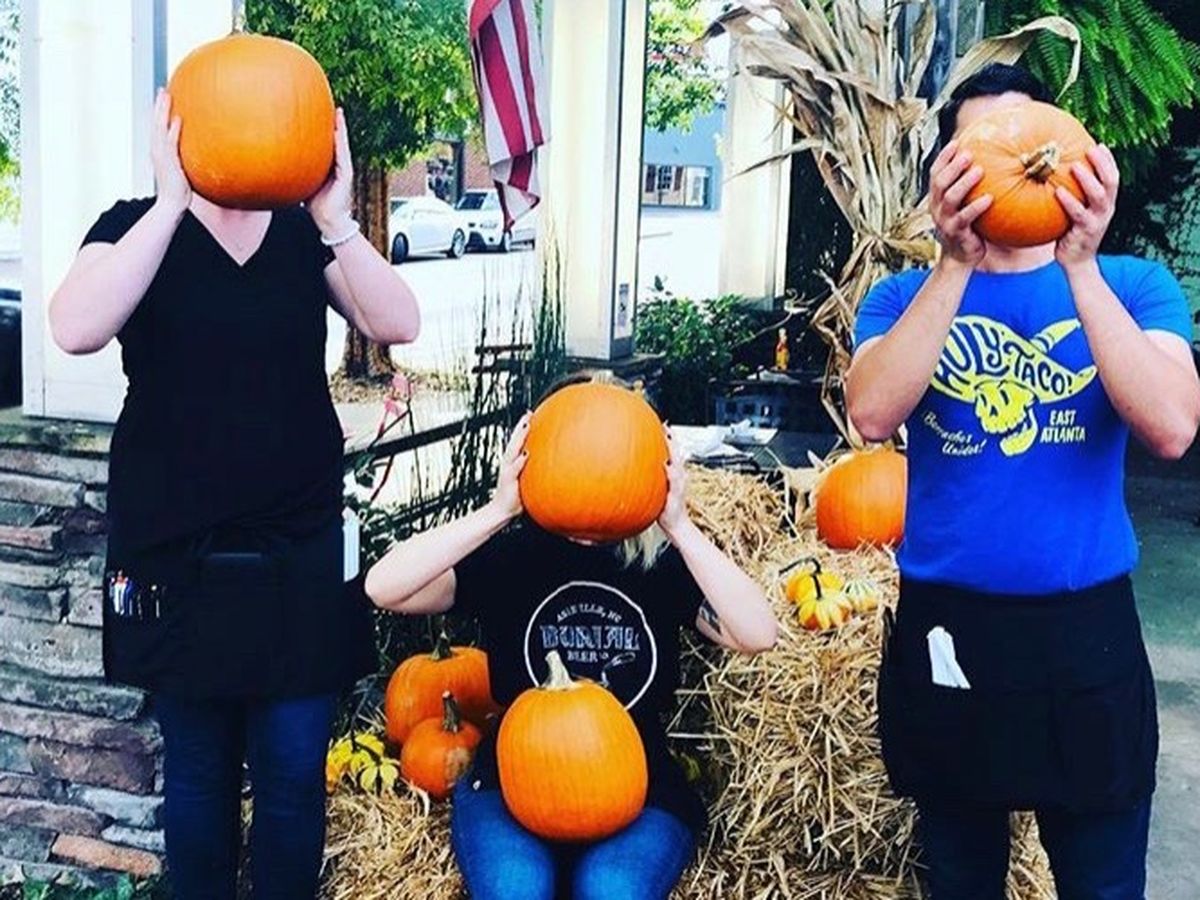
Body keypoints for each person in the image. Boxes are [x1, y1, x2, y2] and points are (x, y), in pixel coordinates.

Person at [48, 90, 420, 900]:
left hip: (298, 550)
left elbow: (399, 322)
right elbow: (74, 327)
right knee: (197, 775)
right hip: (178, 552)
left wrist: (336, 217)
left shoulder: (304, 234)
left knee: (291, 776)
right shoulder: (131, 224)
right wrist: (169, 204)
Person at [847, 63, 1200, 900]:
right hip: (951, 633)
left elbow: (1171, 426)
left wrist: (1081, 267)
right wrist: (952, 264)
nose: (1015, 154)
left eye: (1028, 133)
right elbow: (871, 414)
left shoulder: (1132, 286)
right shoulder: (903, 298)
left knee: (1102, 883)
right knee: (959, 880)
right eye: (984, 143)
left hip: (1086, 637)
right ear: (945, 172)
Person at [365, 376, 778, 900]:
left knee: (611, 890)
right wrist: (497, 511)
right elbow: (384, 587)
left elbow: (758, 633)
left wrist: (678, 524)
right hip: (514, 780)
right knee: (516, 889)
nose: (592, 473)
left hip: (638, 785)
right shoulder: (509, 560)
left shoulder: (658, 566)